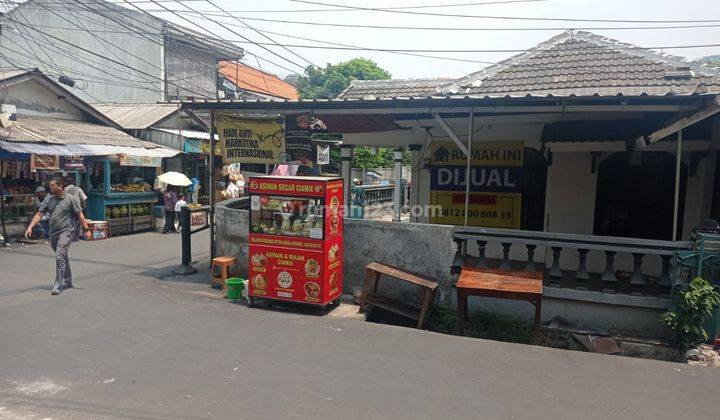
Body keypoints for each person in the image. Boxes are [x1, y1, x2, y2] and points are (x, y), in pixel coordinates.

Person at [25, 177, 88, 295]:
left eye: (53, 185)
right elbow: (39, 214)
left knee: (59, 255)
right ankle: (68, 280)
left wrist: (86, 229)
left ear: (60, 186)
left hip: (67, 231)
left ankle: (58, 284)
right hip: (53, 232)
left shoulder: (71, 199)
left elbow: (80, 214)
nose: (50, 187)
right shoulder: (49, 199)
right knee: (62, 255)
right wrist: (30, 227)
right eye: (50, 185)